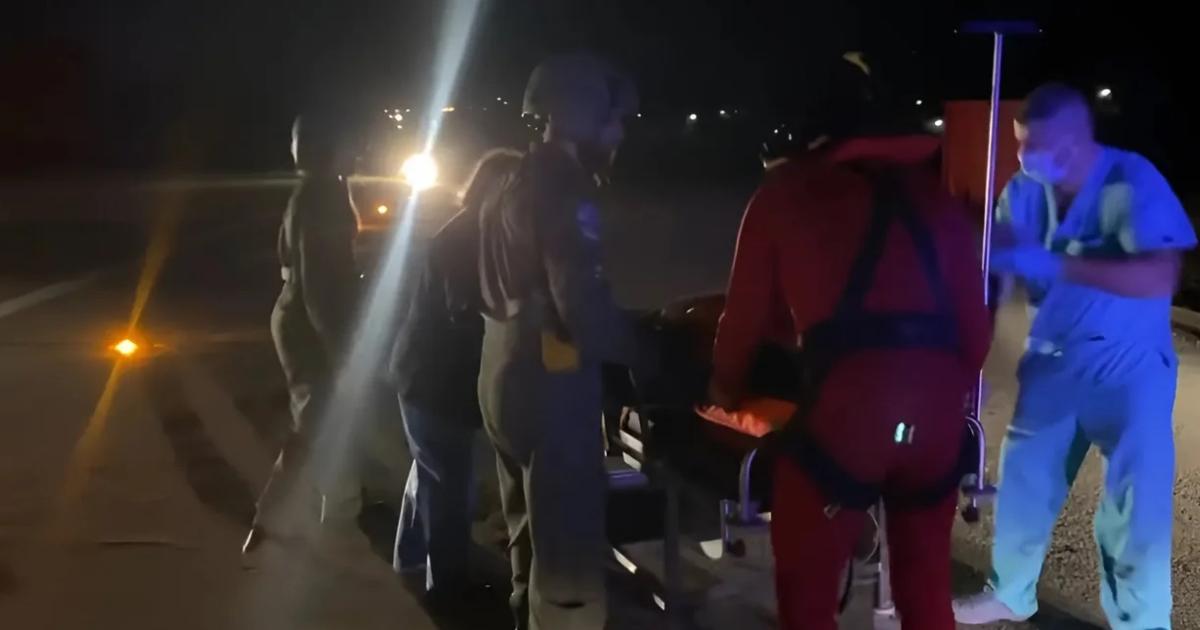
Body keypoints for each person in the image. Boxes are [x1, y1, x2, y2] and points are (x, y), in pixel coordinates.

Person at [708, 53, 993, 630]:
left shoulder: (782, 196)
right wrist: (930, 400)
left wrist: (723, 390)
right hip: (936, 424)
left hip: (845, 425)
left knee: (808, 598)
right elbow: (976, 334)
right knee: (925, 590)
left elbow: (743, 324)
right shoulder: (937, 200)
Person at [954, 83, 1196, 629]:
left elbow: (1159, 275)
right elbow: (994, 276)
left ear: (1074, 139)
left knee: (1135, 507)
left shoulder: (1130, 180)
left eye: (1034, 145)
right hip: (1053, 358)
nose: (1022, 157)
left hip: (1128, 365)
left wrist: (1059, 264)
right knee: (1023, 482)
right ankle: (1011, 592)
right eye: (1018, 143)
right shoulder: (1023, 190)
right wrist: (970, 359)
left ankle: (1142, 622)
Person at [476, 53, 646, 630]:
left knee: (530, 546)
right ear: (582, 117)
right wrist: (651, 354)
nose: (619, 135)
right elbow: (582, 307)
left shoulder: (510, 178)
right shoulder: (565, 187)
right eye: (614, 121)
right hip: (550, 392)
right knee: (569, 571)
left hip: (502, 375)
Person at [391, 148, 523, 604]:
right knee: (450, 490)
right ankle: (448, 586)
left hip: (423, 380)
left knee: (429, 473)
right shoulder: (465, 239)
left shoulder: (472, 231)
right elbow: (465, 312)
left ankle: (410, 559)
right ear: (497, 190)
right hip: (434, 386)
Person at [242, 111, 374, 565]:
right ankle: (279, 518)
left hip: (301, 316)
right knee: (319, 420)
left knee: (328, 417)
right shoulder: (322, 197)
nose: (358, 151)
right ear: (327, 149)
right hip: (309, 323)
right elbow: (319, 285)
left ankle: (335, 510)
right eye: (350, 143)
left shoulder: (321, 191)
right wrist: (342, 350)